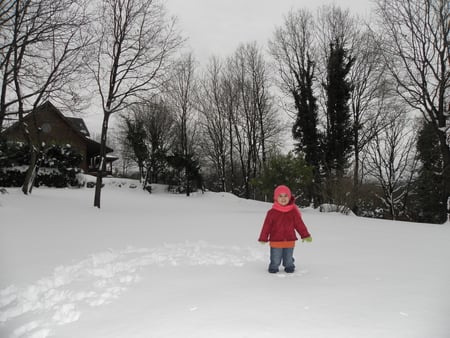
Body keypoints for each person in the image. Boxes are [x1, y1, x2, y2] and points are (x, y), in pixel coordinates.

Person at [258, 185, 312, 273]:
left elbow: (299, 225)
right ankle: (273, 267)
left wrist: (305, 235)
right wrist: (263, 238)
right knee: (275, 259)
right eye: (280, 196)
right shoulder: (271, 213)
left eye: (286, 196)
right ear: (276, 198)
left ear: (289, 197)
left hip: (290, 240)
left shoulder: (293, 212)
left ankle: (289, 266)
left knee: (288, 258)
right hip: (276, 240)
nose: (283, 198)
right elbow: (266, 226)